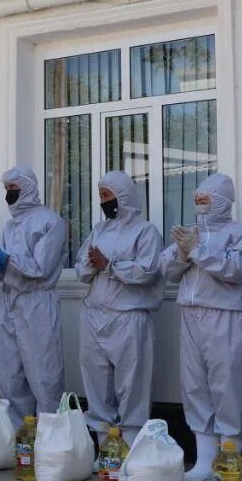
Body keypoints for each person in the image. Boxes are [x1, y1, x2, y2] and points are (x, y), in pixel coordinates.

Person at [160, 173, 242, 481]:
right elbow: (166, 270)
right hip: (191, 316)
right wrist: (181, 252)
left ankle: (229, 458)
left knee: (228, 384)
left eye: (206, 200)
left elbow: (235, 271)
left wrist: (198, 252)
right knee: (195, 386)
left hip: (226, 316)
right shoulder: (188, 235)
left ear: (222, 202)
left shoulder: (241, 234)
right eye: (197, 200)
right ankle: (204, 460)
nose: (199, 205)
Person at [75, 172, 165, 448]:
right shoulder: (99, 230)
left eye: (107, 195)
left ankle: (131, 445)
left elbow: (148, 271)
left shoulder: (146, 231)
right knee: (96, 381)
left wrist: (109, 265)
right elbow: (80, 269)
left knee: (132, 384)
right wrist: (93, 265)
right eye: (101, 195)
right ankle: (105, 447)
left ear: (123, 195)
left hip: (129, 316)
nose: (104, 201)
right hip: (94, 315)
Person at [0, 165, 66, 427]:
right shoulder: (11, 225)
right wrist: (1, 265)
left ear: (27, 188)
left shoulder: (51, 221)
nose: (9, 195)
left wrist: (7, 260)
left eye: (13, 189)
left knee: (43, 375)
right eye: (6, 190)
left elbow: (42, 267)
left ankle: (50, 438)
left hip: (37, 304)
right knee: (11, 375)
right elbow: (14, 269)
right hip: (11, 302)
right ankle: (19, 439)